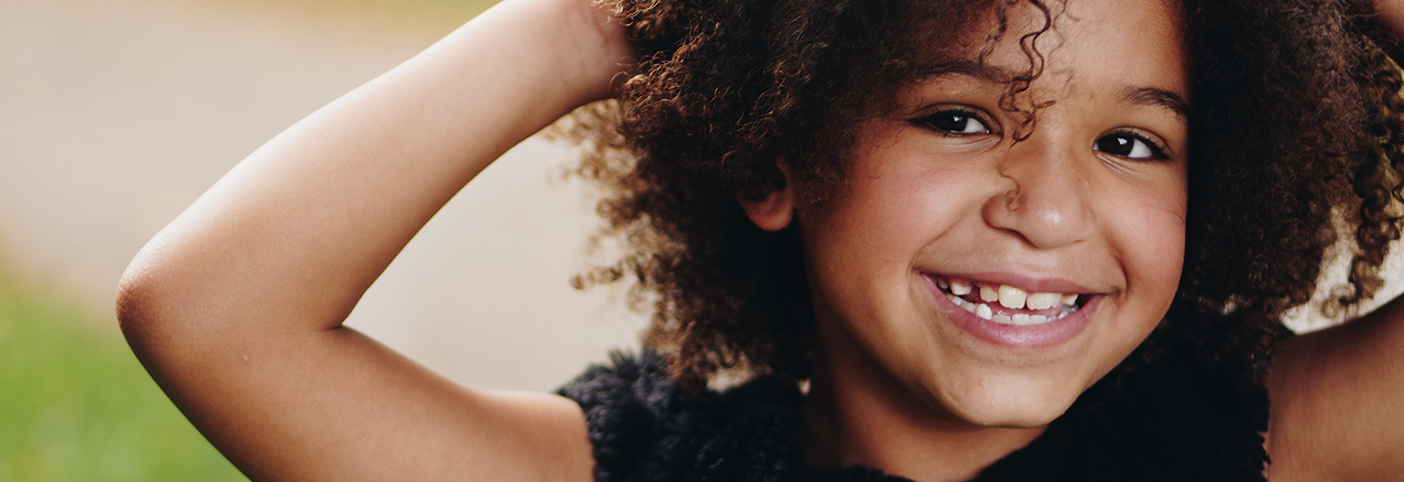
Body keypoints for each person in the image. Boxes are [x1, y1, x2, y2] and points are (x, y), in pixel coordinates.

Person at [115, 0, 1404, 479]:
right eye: (959, 117)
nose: (1049, 210)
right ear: (770, 153)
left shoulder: (1249, 444)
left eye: (1133, 143)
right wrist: (598, 22)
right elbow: (213, 312)